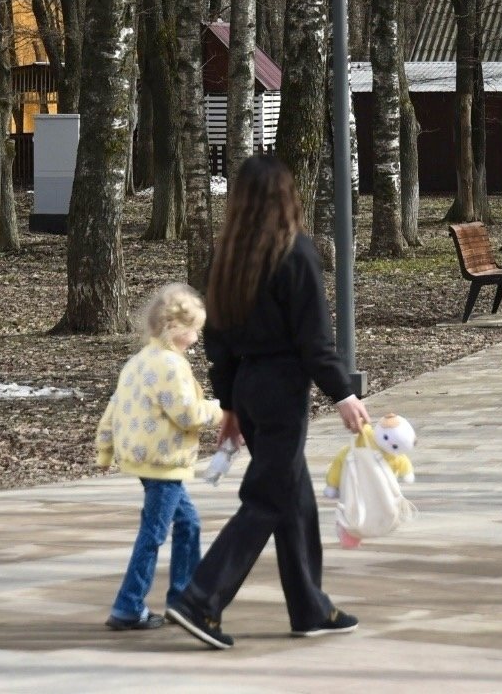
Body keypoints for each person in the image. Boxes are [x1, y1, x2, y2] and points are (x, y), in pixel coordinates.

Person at [168, 154, 371, 650]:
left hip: (252, 390)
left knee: (295, 498)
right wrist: (343, 391)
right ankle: (201, 597)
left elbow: (218, 341)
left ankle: (308, 606)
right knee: (266, 498)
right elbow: (314, 341)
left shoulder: (228, 258)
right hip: (281, 393)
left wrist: (233, 403)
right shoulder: (295, 252)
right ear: (286, 198)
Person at [95, 283, 226, 631]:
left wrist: (106, 448)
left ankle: (181, 598)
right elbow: (187, 414)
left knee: (188, 523)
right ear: (174, 328)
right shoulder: (170, 365)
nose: (198, 335)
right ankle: (128, 605)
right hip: (163, 461)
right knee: (153, 533)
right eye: (194, 328)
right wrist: (221, 411)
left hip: (144, 458)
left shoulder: (138, 362)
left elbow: (114, 407)